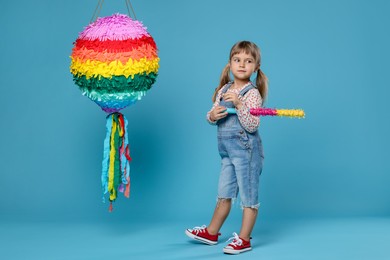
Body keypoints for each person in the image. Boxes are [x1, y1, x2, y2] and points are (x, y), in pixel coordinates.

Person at [185, 41, 268, 255]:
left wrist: (240, 105)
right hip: (227, 152)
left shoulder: (252, 94)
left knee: (248, 195)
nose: (242, 65)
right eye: (237, 60)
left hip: (247, 152)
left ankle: (244, 239)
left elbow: (252, 125)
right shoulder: (224, 89)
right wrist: (212, 115)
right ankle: (212, 232)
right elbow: (212, 115)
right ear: (230, 64)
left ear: (255, 67)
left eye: (248, 61)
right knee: (224, 193)